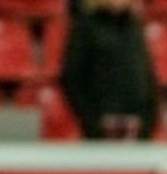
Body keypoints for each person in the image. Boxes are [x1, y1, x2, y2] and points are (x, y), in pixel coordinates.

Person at [60, 0, 157, 140]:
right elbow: (72, 77)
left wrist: (148, 121)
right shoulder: (85, 26)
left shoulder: (134, 25)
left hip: (137, 126)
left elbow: (147, 75)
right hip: (101, 127)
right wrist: (91, 121)